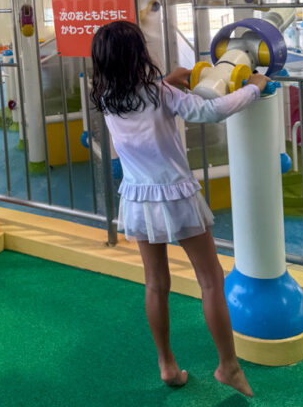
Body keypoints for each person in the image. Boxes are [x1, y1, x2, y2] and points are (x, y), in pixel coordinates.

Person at [90, 20, 270, 398]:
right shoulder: (160, 95)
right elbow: (211, 111)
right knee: (210, 280)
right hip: (176, 197)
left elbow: (143, 102)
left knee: (156, 283)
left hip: (138, 198)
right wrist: (253, 89)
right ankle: (228, 366)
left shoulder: (106, 96)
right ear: (139, 56)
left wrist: (168, 81)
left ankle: (167, 365)